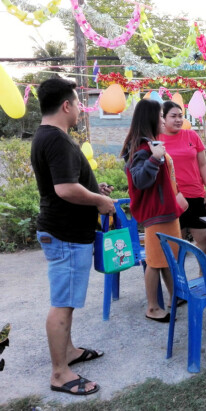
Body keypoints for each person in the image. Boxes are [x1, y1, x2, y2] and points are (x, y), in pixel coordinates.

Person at [31, 77, 116, 396]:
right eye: (78, 103)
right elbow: (64, 189)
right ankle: (59, 373)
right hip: (64, 234)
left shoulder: (47, 136)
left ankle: (67, 353)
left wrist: (95, 190)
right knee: (63, 303)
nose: (80, 108)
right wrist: (99, 201)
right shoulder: (57, 139)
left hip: (63, 232)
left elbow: (67, 183)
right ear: (66, 105)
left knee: (66, 300)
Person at [121, 99, 186, 322]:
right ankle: (152, 308)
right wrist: (154, 158)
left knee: (168, 258)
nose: (162, 120)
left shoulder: (149, 144)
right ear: (150, 118)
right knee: (156, 262)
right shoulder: (142, 147)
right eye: (159, 116)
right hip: (156, 214)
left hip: (167, 210)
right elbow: (139, 180)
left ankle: (175, 296)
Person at [160, 101, 206, 257]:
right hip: (172, 198)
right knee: (176, 242)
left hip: (196, 195)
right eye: (173, 116)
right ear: (163, 118)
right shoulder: (156, 139)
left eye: (180, 116)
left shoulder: (191, 135)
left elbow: (203, 164)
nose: (178, 120)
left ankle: (203, 276)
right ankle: (178, 280)